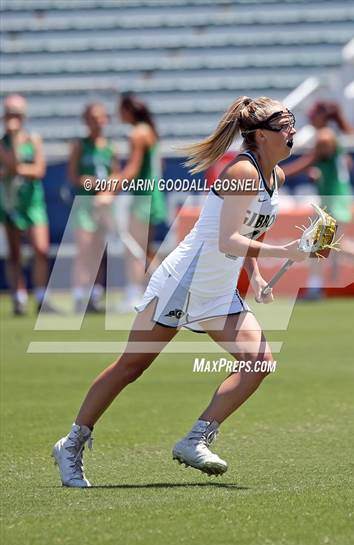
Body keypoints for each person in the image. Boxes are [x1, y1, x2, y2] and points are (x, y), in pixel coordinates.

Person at [52, 95, 307, 488]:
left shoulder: (277, 176)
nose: (292, 130)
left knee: (259, 362)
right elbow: (228, 239)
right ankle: (71, 444)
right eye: (284, 123)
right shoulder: (242, 172)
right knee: (130, 368)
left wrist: (255, 276)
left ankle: (195, 439)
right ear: (259, 135)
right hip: (182, 284)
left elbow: (252, 230)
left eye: (292, 121)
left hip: (217, 292)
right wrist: (281, 253)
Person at [283, 100, 354, 298]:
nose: (310, 117)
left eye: (314, 113)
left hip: (334, 199)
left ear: (322, 116)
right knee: (322, 244)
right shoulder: (334, 136)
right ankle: (316, 287)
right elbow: (345, 166)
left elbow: (308, 162)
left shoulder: (325, 137)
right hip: (338, 197)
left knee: (327, 244)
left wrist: (278, 174)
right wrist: (322, 174)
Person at [0, 94, 55, 315]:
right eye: (10, 114)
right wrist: (12, 142)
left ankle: (41, 295)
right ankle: (19, 296)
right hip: (11, 202)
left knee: (40, 249)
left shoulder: (33, 140)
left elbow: (38, 170)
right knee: (14, 253)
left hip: (33, 203)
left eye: (17, 114)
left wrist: (17, 169)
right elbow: (10, 167)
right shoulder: (2, 143)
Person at [116, 93, 168, 311]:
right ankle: (166, 289)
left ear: (128, 111)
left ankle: (135, 294)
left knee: (135, 249)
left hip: (142, 198)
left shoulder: (137, 133)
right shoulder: (149, 131)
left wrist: (109, 186)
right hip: (152, 195)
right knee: (145, 249)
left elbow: (132, 169)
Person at [68, 102, 118, 313]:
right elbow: (72, 176)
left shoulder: (110, 147)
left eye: (100, 117)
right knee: (84, 250)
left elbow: (116, 174)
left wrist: (108, 190)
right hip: (85, 204)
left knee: (99, 251)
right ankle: (80, 295)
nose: (97, 122)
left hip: (103, 205)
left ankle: (95, 296)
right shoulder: (80, 145)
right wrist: (92, 183)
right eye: (93, 118)